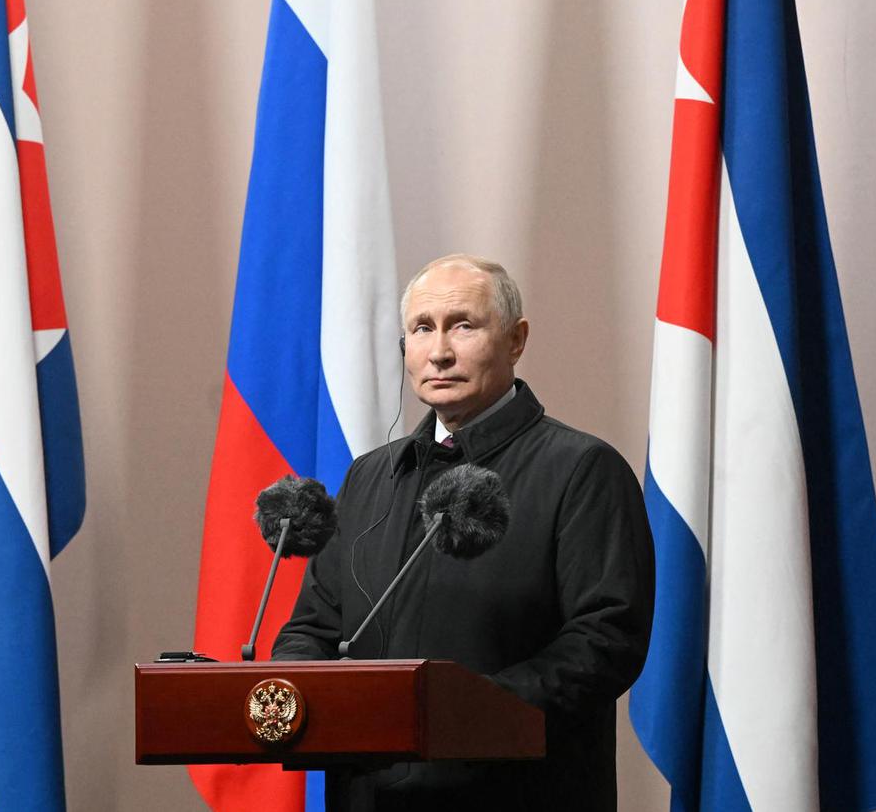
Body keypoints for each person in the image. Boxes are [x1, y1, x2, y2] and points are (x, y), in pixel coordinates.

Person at [274, 254, 655, 811]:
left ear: (516, 340)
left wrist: (463, 711)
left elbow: (605, 640)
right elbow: (314, 625)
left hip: (517, 794)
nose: (440, 351)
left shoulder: (583, 469)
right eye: (422, 329)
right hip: (369, 795)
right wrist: (294, 690)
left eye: (464, 325)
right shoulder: (369, 475)